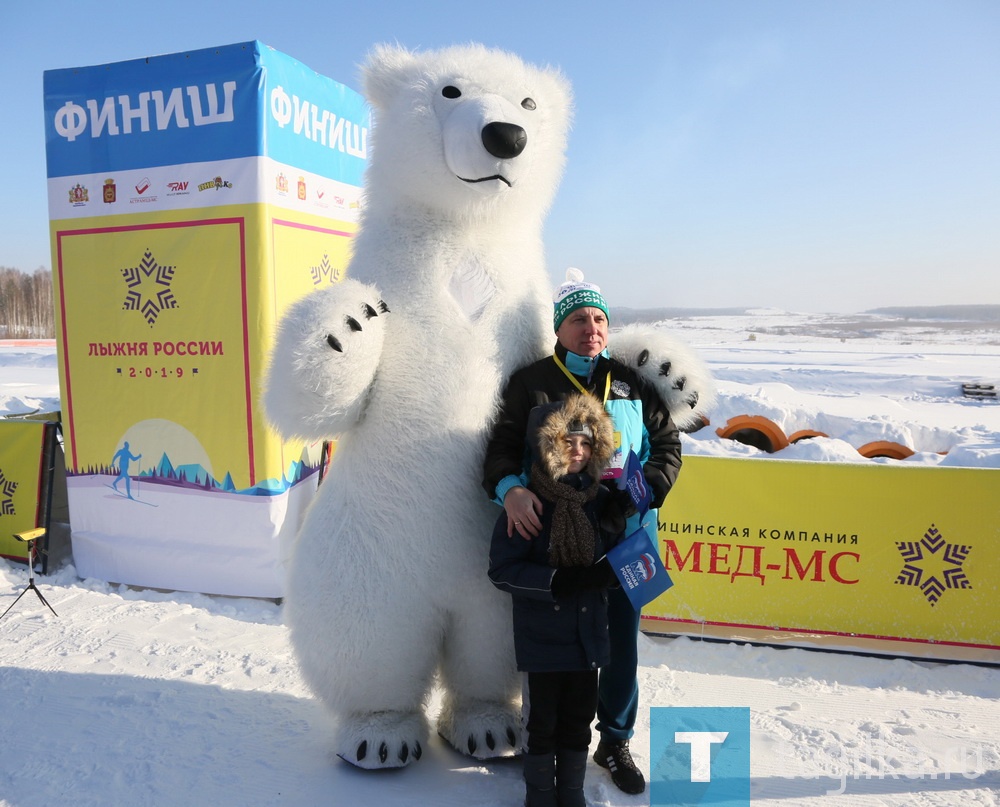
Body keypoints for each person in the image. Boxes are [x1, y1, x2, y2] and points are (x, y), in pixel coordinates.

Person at [483, 268, 683, 795]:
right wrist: (511, 489)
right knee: (557, 642)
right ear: (558, 328)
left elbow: (666, 449)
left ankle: (614, 740)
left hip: (631, 534)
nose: (590, 327)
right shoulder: (532, 383)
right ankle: (544, 743)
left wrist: (641, 495)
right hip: (559, 536)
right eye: (578, 319)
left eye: (599, 318)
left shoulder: (632, 382)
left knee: (620, 642)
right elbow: (501, 449)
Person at [488, 392, 624, 807]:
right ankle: (541, 796)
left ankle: (571, 793)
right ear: (548, 446)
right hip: (543, 640)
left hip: (588, 640)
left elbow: (618, 568)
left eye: (586, 443)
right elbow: (503, 570)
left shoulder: (600, 501)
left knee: (579, 722)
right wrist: (557, 582)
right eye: (568, 442)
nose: (578, 452)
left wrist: (617, 538)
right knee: (542, 724)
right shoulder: (529, 503)